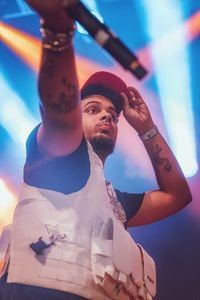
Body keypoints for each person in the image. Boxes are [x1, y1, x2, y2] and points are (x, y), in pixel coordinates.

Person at [0, 1, 192, 300]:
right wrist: (58, 32)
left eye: (113, 115)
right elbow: (59, 111)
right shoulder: (61, 158)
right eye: (92, 109)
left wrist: (146, 128)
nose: (107, 116)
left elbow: (177, 196)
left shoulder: (113, 202)